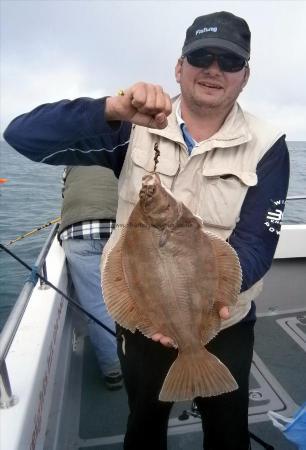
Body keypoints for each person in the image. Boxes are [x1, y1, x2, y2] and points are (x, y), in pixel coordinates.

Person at [3, 11, 289, 450]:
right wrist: (109, 110)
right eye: (201, 56)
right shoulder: (132, 126)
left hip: (225, 319)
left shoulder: (268, 145)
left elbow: (257, 240)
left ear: (245, 76)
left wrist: (216, 300)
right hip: (144, 318)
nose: (214, 69)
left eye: (229, 62)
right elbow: (22, 136)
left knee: (229, 432)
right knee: (144, 425)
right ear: (179, 67)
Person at [59, 165, 123, 390]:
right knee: (132, 296)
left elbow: (66, 195)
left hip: (78, 234)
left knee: (96, 304)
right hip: (120, 230)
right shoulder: (118, 153)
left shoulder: (70, 163)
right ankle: (142, 358)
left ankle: (113, 369)